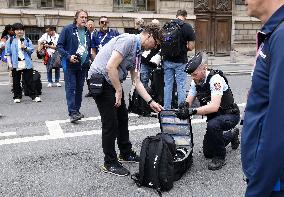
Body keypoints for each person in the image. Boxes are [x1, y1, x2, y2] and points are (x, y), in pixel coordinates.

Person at [88, 23, 164, 176]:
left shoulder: (137, 51)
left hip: (112, 82)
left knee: (122, 118)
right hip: (101, 80)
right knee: (111, 123)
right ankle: (109, 162)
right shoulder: (128, 41)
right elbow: (110, 66)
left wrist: (151, 102)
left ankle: (125, 153)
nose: (153, 48)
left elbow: (136, 81)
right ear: (149, 36)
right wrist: (118, 89)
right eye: (155, 44)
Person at [241, 1, 284, 196]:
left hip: (273, 181)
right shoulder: (275, 32)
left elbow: (279, 124)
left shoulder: (281, 36)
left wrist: (257, 190)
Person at [176, 52, 240, 170]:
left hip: (229, 115)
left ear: (204, 68)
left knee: (213, 125)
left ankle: (220, 157)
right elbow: (189, 100)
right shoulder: (196, 81)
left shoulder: (215, 79)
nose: (192, 77)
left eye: (194, 74)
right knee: (208, 152)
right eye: (191, 75)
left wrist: (191, 111)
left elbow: (214, 107)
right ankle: (232, 135)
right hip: (215, 118)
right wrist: (184, 106)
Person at [57, 9, 91, 123]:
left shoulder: (87, 32)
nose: (84, 19)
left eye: (86, 17)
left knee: (79, 89)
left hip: (83, 65)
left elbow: (88, 47)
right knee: (71, 89)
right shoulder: (67, 29)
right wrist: (68, 56)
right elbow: (59, 46)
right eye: (82, 17)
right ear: (76, 18)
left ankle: (76, 110)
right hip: (70, 65)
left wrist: (89, 59)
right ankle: (72, 113)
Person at [162, 9, 195, 109]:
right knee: (181, 85)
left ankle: (166, 107)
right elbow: (191, 47)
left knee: (168, 85)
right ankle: (181, 108)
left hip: (167, 60)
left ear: (176, 16)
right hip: (181, 61)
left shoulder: (167, 25)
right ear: (185, 16)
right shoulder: (187, 27)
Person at [5, 23, 41, 103]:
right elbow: (7, 53)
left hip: (26, 63)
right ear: (14, 31)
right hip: (15, 63)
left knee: (29, 80)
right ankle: (17, 96)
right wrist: (10, 64)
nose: (19, 31)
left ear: (23, 31)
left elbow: (31, 50)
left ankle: (34, 96)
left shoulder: (27, 40)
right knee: (16, 81)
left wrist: (25, 47)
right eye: (17, 30)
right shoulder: (10, 40)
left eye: (21, 30)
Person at [140, 19, 161, 88]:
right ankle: (142, 97)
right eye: (154, 25)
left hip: (155, 64)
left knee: (155, 82)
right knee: (143, 80)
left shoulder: (160, 36)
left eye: (157, 25)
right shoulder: (148, 36)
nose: (155, 27)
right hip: (145, 62)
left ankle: (152, 95)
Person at [84, 19, 97, 97]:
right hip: (88, 57)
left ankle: (98, 89)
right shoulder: (84, 34)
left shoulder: (97, 34)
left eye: (91, 24)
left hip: (96, 56)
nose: (90, 26)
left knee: (97, 74)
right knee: (88, 75)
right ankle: (90, 91)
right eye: (89, 24)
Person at [0, 24, 14, 93]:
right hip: (9, 57)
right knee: (11, 72)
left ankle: (16, 86)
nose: (13, 31)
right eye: (12, 30)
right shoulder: (6, 37)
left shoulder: (13, 36)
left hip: (14, 56)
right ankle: (12, 87)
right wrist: (7, 45)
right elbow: (1, 45)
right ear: (8, 31)